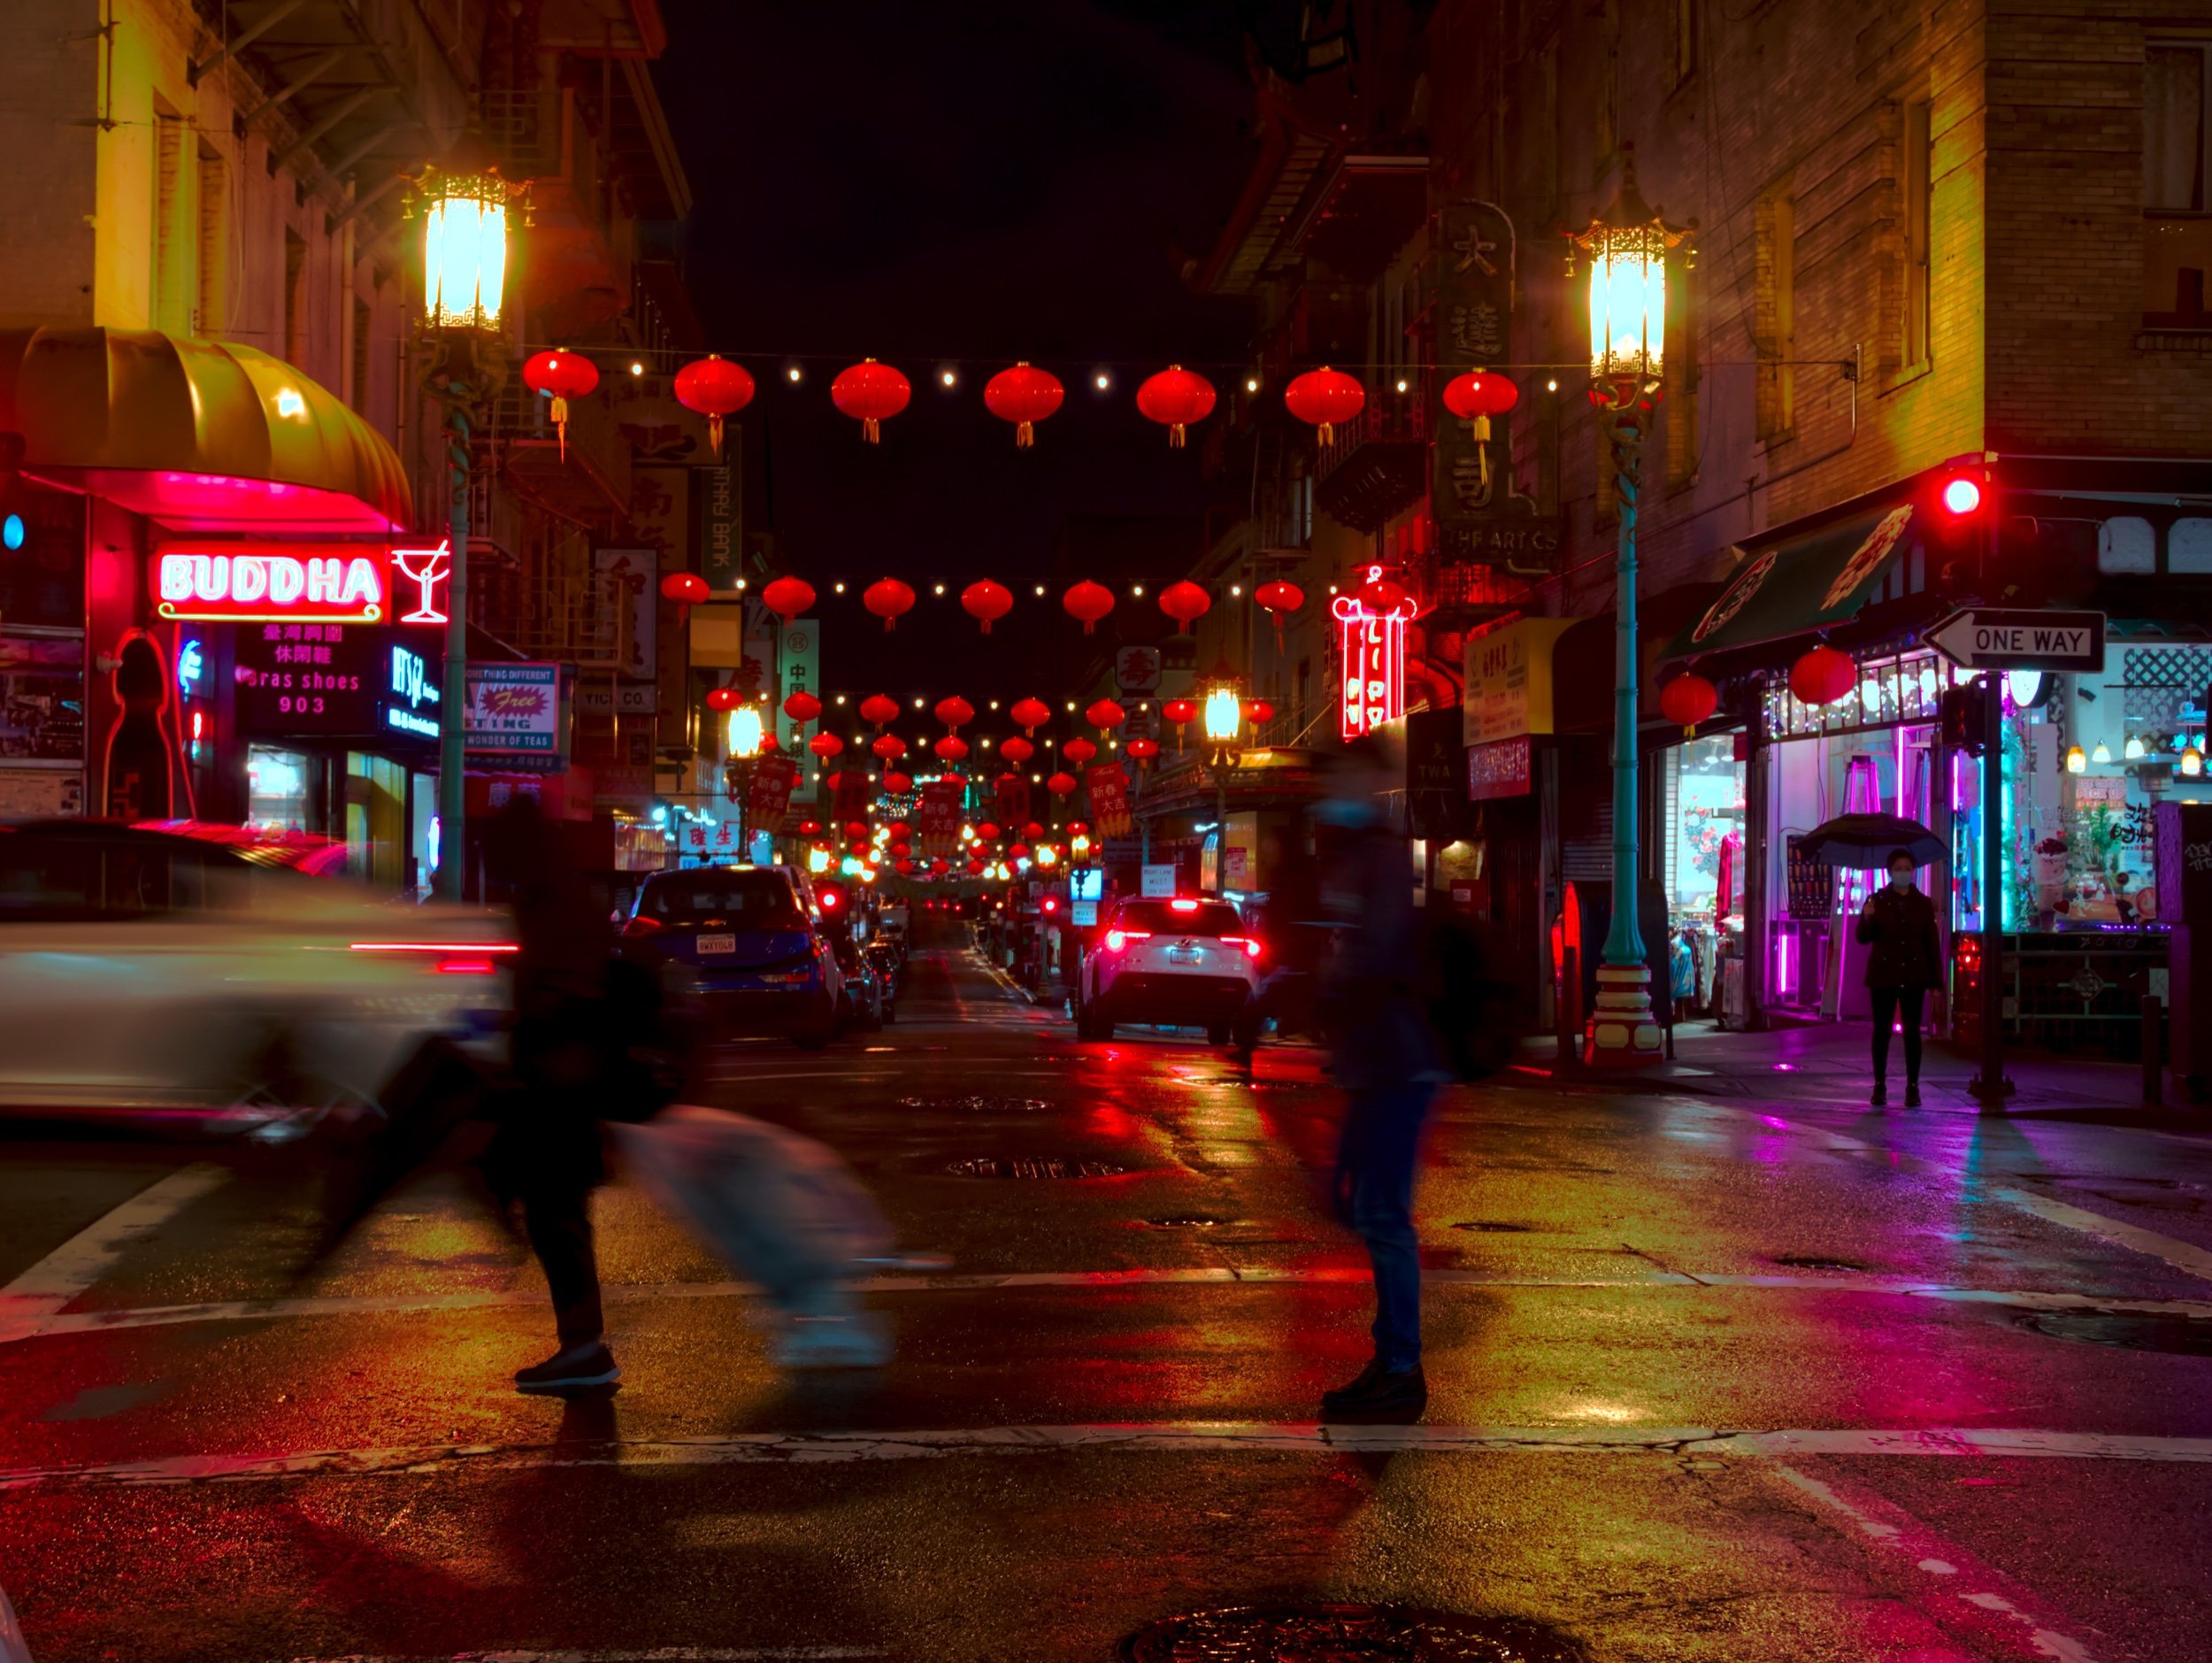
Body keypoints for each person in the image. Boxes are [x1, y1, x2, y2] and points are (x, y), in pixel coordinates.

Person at [480, 796, 642, 1393]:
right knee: (555, 1210)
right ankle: (581, 1344)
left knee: (555, 1211)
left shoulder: (550, 899)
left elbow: (563, 986)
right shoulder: (555, 892)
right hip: (560, 1079)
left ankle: (583, 1347)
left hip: (559, 1083)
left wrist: (528, 1040)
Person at [1312, 737, 1450, 1420]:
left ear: (1370, 779)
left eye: (1343, 772)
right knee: (1372, 1212)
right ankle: (1391, 1358)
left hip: (1398, 1060)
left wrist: (1331, 984)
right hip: (1377, 1061)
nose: (1332, 785)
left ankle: (1401, 1367)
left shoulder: (1381, 856)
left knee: (1384, 1216)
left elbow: (1374, 956)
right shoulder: (1355, 853)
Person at [1856, 848, 1942, 1108]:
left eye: (1907, 867)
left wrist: (1936, 981)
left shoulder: (1923, 903)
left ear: (1913, 871)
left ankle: (1912, 1086)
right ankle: (1880, 1084)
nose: (1903, 872)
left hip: (1914, 974)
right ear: (1890, 872)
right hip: (1883, 974)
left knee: (1912, 1030)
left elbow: (1931, 944)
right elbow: (1862, 938)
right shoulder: (1877, 900)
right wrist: (1867, 918)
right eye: (1898, 867)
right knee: (1881, 1031)